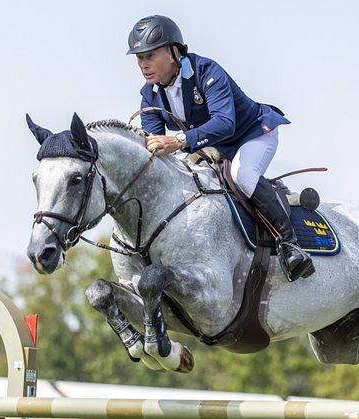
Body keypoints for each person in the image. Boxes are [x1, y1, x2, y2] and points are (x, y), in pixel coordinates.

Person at [127, 15, 314, 281]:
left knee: (243, 176)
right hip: (211, 147)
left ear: (173, 52)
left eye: (150, 56)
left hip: (252, 134)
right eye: (139, 58)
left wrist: (179, 141)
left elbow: (225, 123)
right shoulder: (149, 94)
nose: (144, 65)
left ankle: (291, 245)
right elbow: (155, 146)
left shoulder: (206, 71)